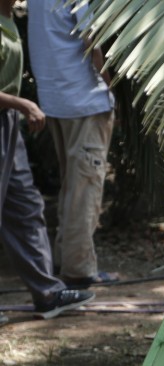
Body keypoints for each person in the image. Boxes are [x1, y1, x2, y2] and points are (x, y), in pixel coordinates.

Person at [0, 0, 93, 326]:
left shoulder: (9, 19)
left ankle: (48, 293)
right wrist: (24, 103)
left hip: (8, 124)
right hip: (8, 115)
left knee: (25, 207)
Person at [27, 0, 116, 289]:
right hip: (85, 100)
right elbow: (92, 43)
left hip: (56, 101)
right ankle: (78, 270)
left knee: (72, 186)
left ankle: (65, 259)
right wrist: (110, 86)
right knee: (85, 189)